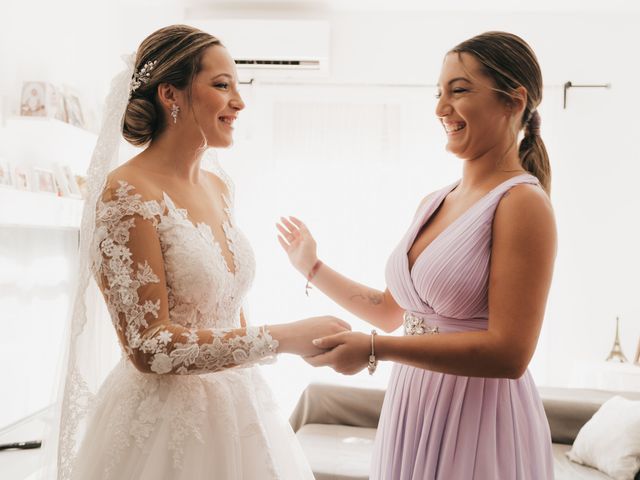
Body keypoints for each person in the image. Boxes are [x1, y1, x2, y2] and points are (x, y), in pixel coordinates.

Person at [54, 24, 349, 480]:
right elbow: (148, 347)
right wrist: (285, 338)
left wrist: (291, 344)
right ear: (171, 94)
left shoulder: (218, 185)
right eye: (221, 85)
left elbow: (228, 306)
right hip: (163, 425)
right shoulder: (127, 193)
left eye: (237, 85)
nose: (239, 102)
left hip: (241, 410)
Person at [277, 31, 556, 479]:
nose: (441, 107)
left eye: (459, 90)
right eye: (439, 93)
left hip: (477, 415)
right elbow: (392, 312)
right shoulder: (435, 200)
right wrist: (311, 266)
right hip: (413, 403)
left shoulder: (522, 203)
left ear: (513, 101)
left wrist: (375, 350)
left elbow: (510, 353)